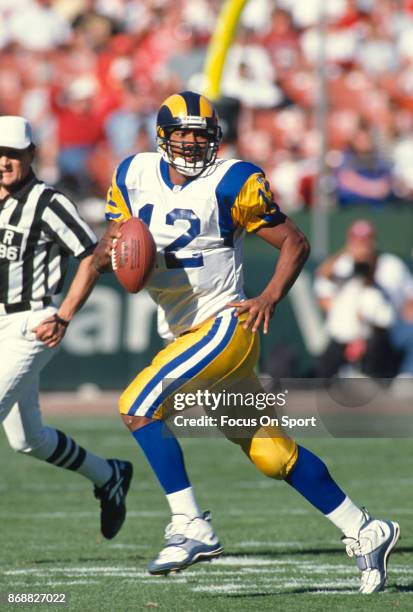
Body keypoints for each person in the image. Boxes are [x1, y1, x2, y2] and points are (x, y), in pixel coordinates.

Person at [93, 91, 399, 593]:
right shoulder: (132, 174)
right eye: (184, 134)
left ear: (215, 138)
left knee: (138, 404)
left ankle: (191, 524)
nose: (192, 145)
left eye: (201, 135)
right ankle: (365, 528)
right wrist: (114, 252)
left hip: (225, 325)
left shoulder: (233, 181)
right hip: (181, 330)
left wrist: (270, 296)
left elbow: (294, 242)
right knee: (271, 454)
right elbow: (116, 243)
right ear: (164, 135)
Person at [0, 115, 132, 540]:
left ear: (32, 156)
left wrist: (64, 314)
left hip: (32, 322)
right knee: (27, 440)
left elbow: (92, 256)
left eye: (13, 155)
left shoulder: (47, 202)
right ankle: (108, 474)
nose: (4, 163)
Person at [314, 219, 413, 379]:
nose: (362, 245)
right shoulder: (341, 263)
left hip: (381, 336)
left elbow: (406, 302)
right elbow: (323, 279)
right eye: (357, 240)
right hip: (344, 335)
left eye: (366, 240)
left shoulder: (390, 264)